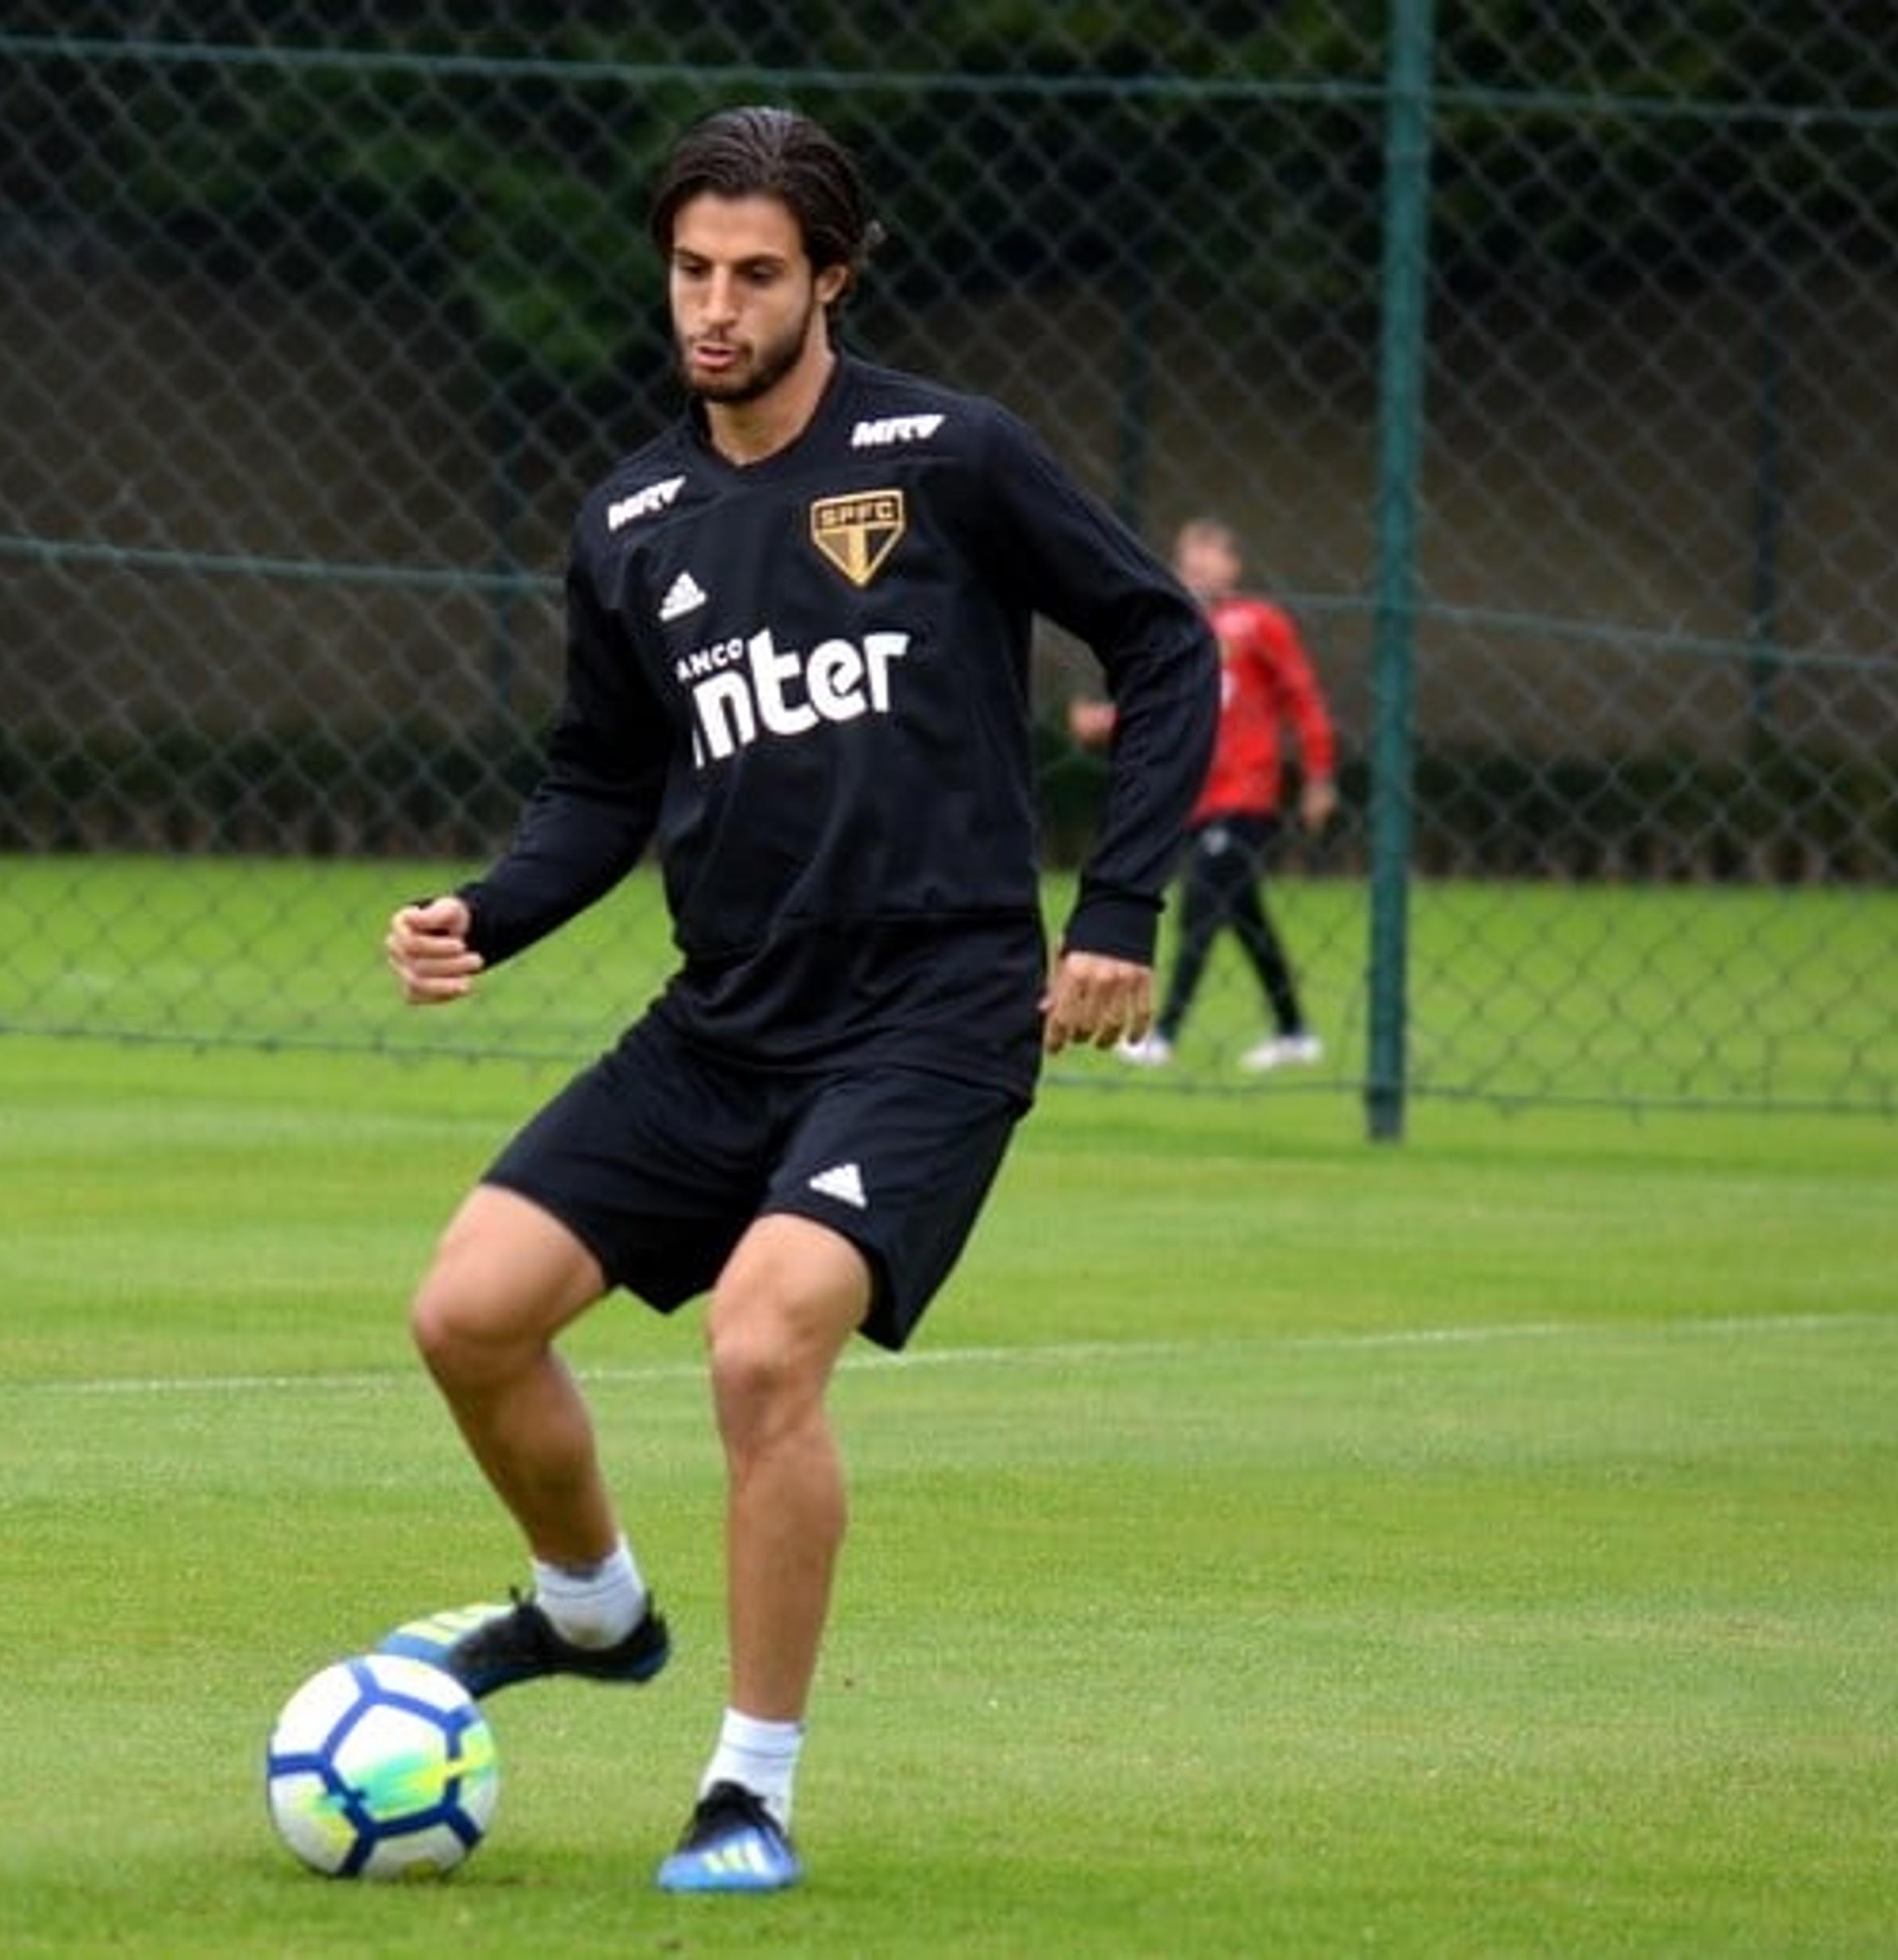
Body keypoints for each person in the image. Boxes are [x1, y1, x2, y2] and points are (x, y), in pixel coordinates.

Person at [376, 105, 1215, 1894]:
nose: (716, 306)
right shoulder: (632, 519)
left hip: (930, 1015)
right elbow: (601, 782)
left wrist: (1119, 904)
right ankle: (594, 1612)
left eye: (758, 273)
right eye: (692, 269)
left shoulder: (947, 455)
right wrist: (488, 913)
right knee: (467, 1312)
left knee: (760, 1342)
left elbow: (1159, 633)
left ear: (832, 275)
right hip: (726, 1019)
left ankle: (749, 1787)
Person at [1069, 517, 1337, 1072]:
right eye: (1186, 556)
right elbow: (1172, 709)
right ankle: (1295, 1033)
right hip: (1194, 796)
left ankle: (1161, 1035)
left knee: (1202, 905)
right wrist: (1108, 722)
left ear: (1233, 566)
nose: (1194, 565)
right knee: (1245, 917)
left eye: (1207, 554)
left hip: (1246, 794)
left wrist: (1318, 776)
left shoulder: (1258, 622)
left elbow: (1304, 699)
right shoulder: (1180, 628)